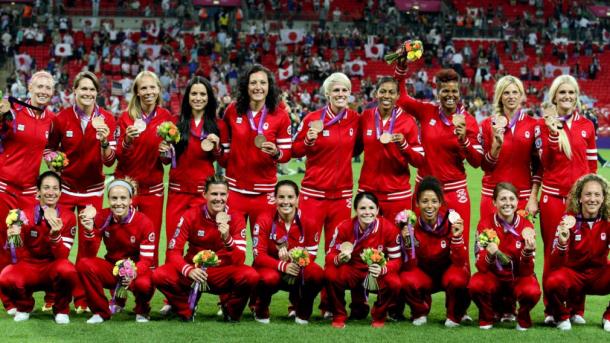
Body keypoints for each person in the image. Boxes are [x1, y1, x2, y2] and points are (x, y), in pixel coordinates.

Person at [45, 71, 116, 312]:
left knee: (89, 247)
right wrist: (54, 159)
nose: (87, 93)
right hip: (66, 189)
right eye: (83, 89)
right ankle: (55, 296)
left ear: (98, 93)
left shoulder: (107, 119)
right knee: (61, 245)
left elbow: (109, 162)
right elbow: (48, 150)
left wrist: (105, 141)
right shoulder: (61, 118)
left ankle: (82, 299)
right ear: (74, 91)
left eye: (92, 90)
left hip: (93, 192)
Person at [395, 64, 483, 246]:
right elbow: (402, 99)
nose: (450, 95)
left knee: (459, 244)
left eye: (454, 91)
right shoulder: (427, 112)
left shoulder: (469, 121)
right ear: (437, 92)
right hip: (425, 190)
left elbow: (477, 162)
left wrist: (464, 139)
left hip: (454, 190)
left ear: (460, 92)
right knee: (420, 244)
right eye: (445, 91)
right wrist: (401, 71)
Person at [152, 175, 258, 322]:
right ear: (205, 194)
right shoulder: (191, 215)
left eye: (222, 194)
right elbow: (173, 251)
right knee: (159, 274)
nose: (218, 198)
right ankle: (186, 308)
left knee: (250, 275)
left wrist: (227, 238)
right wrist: (188, 270)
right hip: (193, 271)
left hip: (222, 272)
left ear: (228, 195)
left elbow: (240, 259)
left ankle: (230, 310)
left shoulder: (236, 217)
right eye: (214, 194)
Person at [536, 75, 597, 322]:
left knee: (579, 255)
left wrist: (593, 197)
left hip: (579, 203)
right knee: (554, 255)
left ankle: (576, 310)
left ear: (577, 96)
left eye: (571, 93)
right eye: (562, 93)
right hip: (552, 198)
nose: (567, 97)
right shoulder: (544, 125)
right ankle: (552, 309)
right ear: (554, 97)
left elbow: (592, 166)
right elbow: (545, 164)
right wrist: (552, 134)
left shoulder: (587, 125)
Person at [0, 71, 56, 314]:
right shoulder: (13, 112)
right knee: (3, 243)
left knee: (25, 244)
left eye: (48, 88)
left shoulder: (51, 120)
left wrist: (54, 159)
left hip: (29, 191)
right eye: (39, 86)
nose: (43, 91)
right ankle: (7, 300)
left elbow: (49, 149)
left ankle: (24, 293)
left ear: (53, 92)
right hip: (4, 186)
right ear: (30, 89)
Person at [292, 72, 361, 252]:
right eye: (336, 90)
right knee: (307, 251)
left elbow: (359, 146)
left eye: (345, 90)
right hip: (314, 193)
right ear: (328, 94)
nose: (341, 94)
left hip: (342, 195)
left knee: (336, 251)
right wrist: (307, 140)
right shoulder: (312, 119)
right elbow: (295, 150)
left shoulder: (355, 119)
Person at [0, 171, 79, 324]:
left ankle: (61, 309)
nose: (51, 192)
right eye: (46, 188)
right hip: (30, 267)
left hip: (53, 266)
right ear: (38, 192)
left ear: (61, 192)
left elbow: (63, 256)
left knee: (68, 270)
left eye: (55, 188)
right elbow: (18, 251)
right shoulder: (24, 215)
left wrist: (55, 235)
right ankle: (24, 306)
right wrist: (13, 237)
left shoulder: (68, 217)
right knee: (6, 276)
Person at [76, 178, 156, 324]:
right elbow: (91, 250)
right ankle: (101, 311)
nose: (118, 203)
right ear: (108, 200)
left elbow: (147, 260)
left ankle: (142, 309)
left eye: (123, 198)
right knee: (84, 264)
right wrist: (88, 231)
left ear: (131, 200)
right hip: (112, 269)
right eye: (114, 198)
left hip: (138, 271)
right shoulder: (103, 217)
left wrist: (133, 272)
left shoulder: (144, 222)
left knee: (144, 284)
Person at [221, 64, 292, 229]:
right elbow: (224, 149)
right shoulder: (232, 110)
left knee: (260, 252)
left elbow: (287, 154)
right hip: (234, 192)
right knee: (233, 251)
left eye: (263, 83)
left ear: (269, 86)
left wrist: (276, 152)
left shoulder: (281, 115)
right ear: (246, 86)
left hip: (264, 194)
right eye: (253, 83)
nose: (258, 87)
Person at [115, 70, 174, 264]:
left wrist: (166, 152)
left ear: (158, 89)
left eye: (152, 87)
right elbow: (117, 156)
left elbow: (166, 162)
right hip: (127, 189)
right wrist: (127, 141)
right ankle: (120, 281)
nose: (149, 91)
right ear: (137, 92)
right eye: (144, 88)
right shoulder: (125, 118)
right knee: (123, 240)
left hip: (153, 190)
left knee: (152, 239)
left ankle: (147, 283)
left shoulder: (167, 118)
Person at [396, 176, 470, 327]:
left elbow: (460, 262)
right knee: (405, 277)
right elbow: (409, 265)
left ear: (441, 203)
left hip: (446, 274)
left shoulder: (451, 223)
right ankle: (420, 311)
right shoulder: (410, 226)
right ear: (417, 203)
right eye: (424, 201)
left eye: (434, 201)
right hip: (424, 275)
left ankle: (454, 315)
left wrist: (457, 237)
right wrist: (408, 242)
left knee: (460, 275)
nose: (430, 206)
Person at [469, 182, 541, 330]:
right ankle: (488, 317)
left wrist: (527, 252)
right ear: (494, 202)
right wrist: (489, 253)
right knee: (475, 284)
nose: (508, 203)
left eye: (511, 199)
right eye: (503, 199)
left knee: (532, 290)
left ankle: (523, 318)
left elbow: (527, 272)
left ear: (517, 202)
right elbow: (480, 267)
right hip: (494, 278)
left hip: (516, 278)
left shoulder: (526, 226)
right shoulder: (484, 224)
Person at [324, 192, 402, 328]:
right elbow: (329, 256)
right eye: (362, 208)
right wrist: (339, 258)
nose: (367, 212)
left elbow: (396, 260)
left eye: (371, 208)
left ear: (377, 210)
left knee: (394, 282)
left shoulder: (388, 228)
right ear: (356, 210)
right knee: (330, 273)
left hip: (374, 271)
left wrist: (383, 269)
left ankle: (379, 315)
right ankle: (339, 315)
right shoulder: (344, 227)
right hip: (351, 270)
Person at [543, 174, 610, 332]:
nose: (592, 199)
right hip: (573, 276)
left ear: (603, 199)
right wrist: (562, 242)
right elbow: (554, 261)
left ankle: (608, 317)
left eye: (597, 195)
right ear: (579, 198)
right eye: (587, 194)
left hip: (598, 275)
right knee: (552, 280)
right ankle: (562, 316)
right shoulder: (568, 220)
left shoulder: (608, 221)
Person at [252, 180, 323, 324]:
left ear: (297, 199)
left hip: (297, 268)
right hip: (271, 268)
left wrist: (297, 260)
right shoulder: (264, 218)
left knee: (317, 274)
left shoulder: (309, 220)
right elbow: (258, 255)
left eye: (290, 197)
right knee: (268, 278)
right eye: (281, 197)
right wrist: (282, 265)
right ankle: (261, 309)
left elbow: (312, 253)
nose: (286, 202)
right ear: (274, 198)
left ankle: (302, 311)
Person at [164, 76, 224, 249]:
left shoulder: (218, 125)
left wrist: (217, 147)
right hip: (177, 193)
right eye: (194, 93)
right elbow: (167, 160)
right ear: (187, 97)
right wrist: (164, 151)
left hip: (202, 195)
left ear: (209, 97)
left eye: (203, 94)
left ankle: (200, 276)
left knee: (202, 246)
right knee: (172, 245)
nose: (198, 98)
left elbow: (222, 160)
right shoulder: (175, 123)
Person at [358, 76, 424, 221]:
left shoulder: (408, 121)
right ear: (376, 93)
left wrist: (403, 144)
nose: (386, 96)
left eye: (391, 92)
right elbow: (354, 148)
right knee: (367, 241)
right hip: (368, 193)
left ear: (398, 96)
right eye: (382, 91)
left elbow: (419, 160)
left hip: (397, 194)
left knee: (398, 242)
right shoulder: (366, 116)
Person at [479, 76, 540, 216]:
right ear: (500, 96)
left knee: (523, 237)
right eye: (506, 93)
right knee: (489, 238)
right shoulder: (487, 125)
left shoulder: (533, 125)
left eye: (515, 92)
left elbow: (539, 166)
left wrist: (533, 196)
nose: (511, 96)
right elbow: (485, 166)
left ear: (521, 95)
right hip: (492, 195)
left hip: (522, 196)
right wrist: (496, 145)